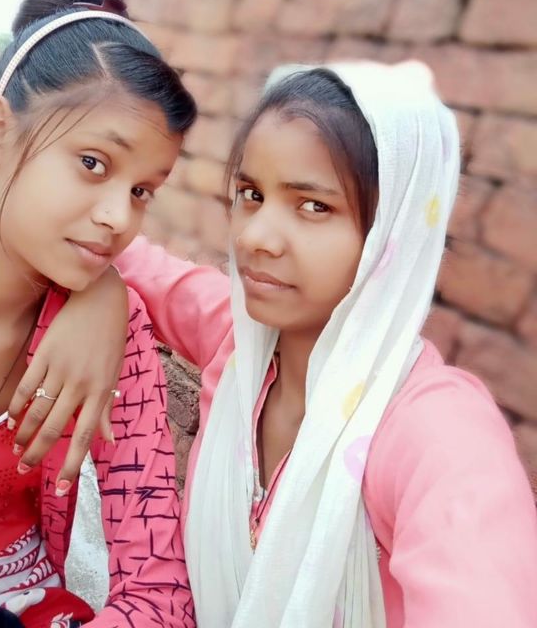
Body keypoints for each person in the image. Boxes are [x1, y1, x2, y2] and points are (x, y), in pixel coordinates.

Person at [50, 60, 537, 627]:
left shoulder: (438, 433)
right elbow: (127, 257)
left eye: (314, 206)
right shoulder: (242, 348)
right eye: (251, 194)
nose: (255, 237)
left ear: (392, 234)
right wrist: (100, 294)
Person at [0, 0, 196, 628]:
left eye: (143, 190)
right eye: (93, 163)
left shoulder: (115, 331)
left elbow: (159, 591)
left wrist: (109, 295)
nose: (120, 218)